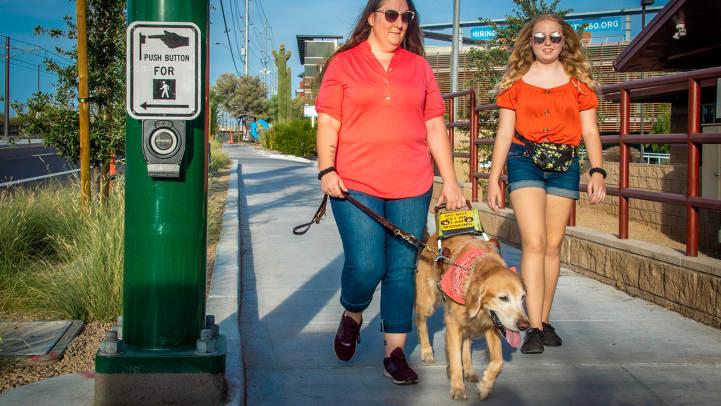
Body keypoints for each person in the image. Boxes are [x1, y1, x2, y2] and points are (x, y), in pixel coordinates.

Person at [315, 0, 466, 385]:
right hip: (355, 183)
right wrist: (326, 168)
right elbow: (329, 120)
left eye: (407, 17)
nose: (400, 23)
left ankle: (394, 352)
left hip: (413, 183)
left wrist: (449, 179)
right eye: (392, 14)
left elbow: (434, 127)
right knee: (367, 265)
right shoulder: (344, 63)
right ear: (372, 17)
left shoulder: (419, 68)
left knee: (402, 269)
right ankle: (352, 314)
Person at [485, 14, 607, 354]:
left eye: (554, 37)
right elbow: (505, 133)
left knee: (553, 245)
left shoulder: (579, 83)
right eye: (540, 38)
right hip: (525, 161)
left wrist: (597, 171)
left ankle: (544, 320)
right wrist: (494, 177)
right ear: (531, 42)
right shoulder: (516, 82)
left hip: (565, 164)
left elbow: (591, 132)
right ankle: (533, 327)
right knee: (535, 242)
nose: (547, 43)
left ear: (564, 41)